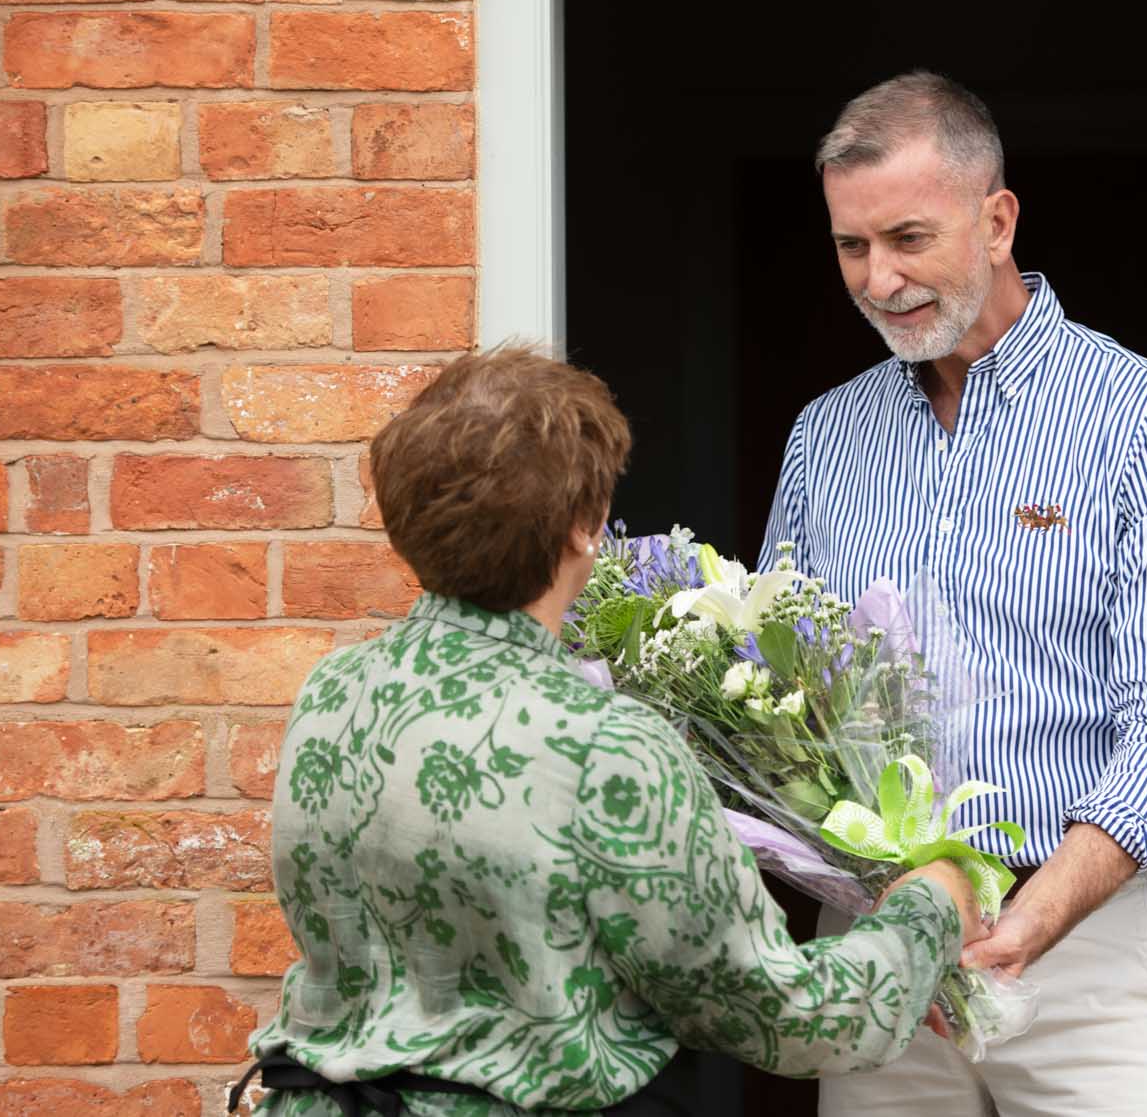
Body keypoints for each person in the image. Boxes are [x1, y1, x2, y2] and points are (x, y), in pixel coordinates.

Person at [240, 345, 982, 1116]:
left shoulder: (336, 690)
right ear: (584, 529)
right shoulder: (606, 746)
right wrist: (928, 909)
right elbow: (780, 1014)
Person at [761, 72, 1147, 1116]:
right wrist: (890, 906)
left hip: (1093, 952)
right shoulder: (821, 436)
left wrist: (1027, 921)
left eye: (906, 238)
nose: (878, 279)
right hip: (882, 946)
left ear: (996, 219)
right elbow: (776, 711)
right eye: (851, 247)